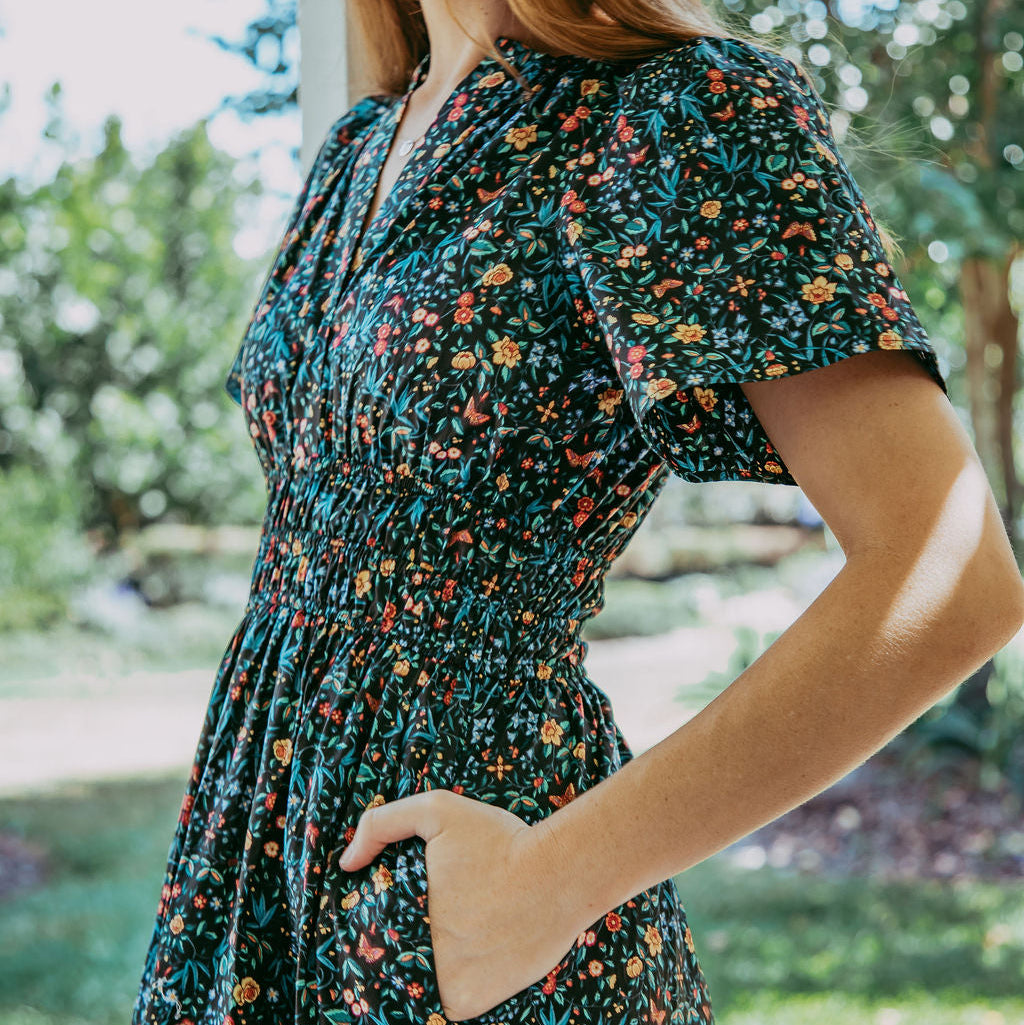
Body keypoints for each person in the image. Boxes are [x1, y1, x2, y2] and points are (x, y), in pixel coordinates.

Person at [132, 1, 1024, 1023]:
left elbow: (950, 576)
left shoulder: (678, 107)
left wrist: (543, 884)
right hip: (257, 851)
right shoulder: (359, 144)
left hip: (474, 892)